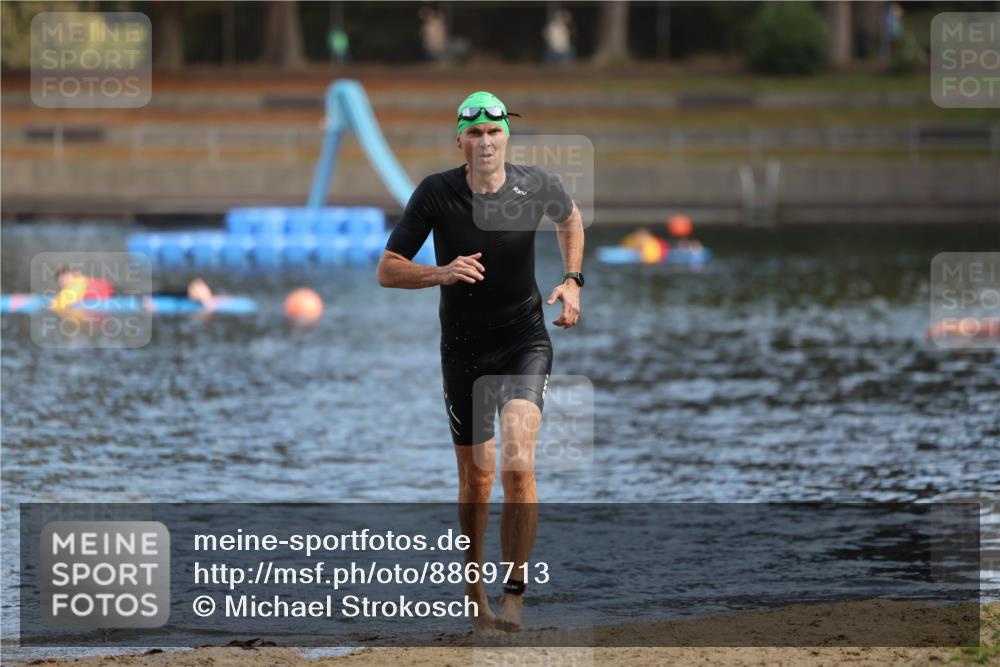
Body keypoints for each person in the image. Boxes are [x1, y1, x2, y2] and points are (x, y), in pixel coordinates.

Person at [376, 91, 585, 635]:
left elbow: (571, 220)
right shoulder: (436, 194)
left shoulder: (536, 184)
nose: (486, 142)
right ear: (461, 140)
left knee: (519, 457)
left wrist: (573, 281)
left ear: (506, 137)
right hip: (464, 349)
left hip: (524, 340)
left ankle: (513, 592)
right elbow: (388, 269)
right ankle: (475, 597)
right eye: (476, 134)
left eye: (495, 132)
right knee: (478, 478)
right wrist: (442, 272)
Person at [50, 266, 114, 312]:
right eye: (62, 281)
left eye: (66, 278)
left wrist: (53, 307)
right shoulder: (81, 281)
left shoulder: (76, 286)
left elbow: (58, 305)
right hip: (111, 293)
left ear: (74, 275)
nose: (65, 281)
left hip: (111, 295)